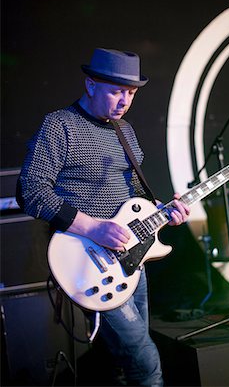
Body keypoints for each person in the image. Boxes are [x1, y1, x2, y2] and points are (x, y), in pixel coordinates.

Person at [16, 47, 190, 386]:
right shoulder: (60, 125)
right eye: (116, 91)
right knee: (145, 360)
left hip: (131, 258)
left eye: (131, 93)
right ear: (91, 84)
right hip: (87, 259)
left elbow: (136, 199)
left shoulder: (125, 130)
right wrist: (94, 228)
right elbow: (31, 191)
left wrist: (166, 211)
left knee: (119, 363)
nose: (124, 101)